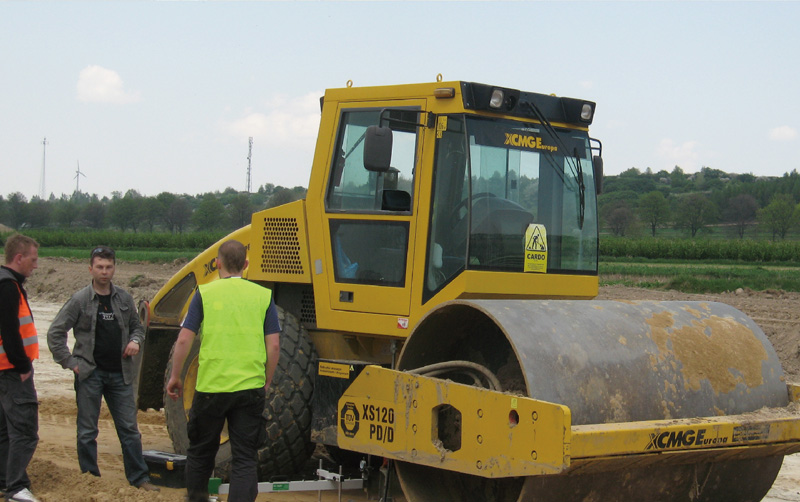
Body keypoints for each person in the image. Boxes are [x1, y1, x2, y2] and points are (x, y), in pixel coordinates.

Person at [166, 240, 280, 502]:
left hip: (211, 388)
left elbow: (184, 339)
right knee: (244, 458)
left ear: (217, 264)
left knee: (201, 453)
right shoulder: (263, 296)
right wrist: (267, 379)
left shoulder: (204, 293)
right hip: (249, 388)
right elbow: (273, 345)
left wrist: (175, 376)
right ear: (246, 265)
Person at [46, 246, 159, 492]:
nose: (104, 272)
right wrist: (71, 363)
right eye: (99, 267)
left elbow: (137, 328)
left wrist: (135, 341)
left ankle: (139, 478)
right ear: (91, 269)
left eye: (108, 267)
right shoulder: (79, 300)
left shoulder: (124, 299)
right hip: (89, 374)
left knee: (129, 429)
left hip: (121, 374)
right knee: (87, 430)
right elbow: (55, 333)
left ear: (114, 268)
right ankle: (89, 478)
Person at [0, 234, 41, 502]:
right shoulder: (8, 286)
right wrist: (22, 363)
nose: (35, 265)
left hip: (3, 368)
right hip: (12, 370)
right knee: (25, 429)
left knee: (5, 429)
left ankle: (6, 479)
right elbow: (10, 330)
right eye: (33, 259)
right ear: (19, 258)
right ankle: (15, 486)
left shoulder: (5, 282)